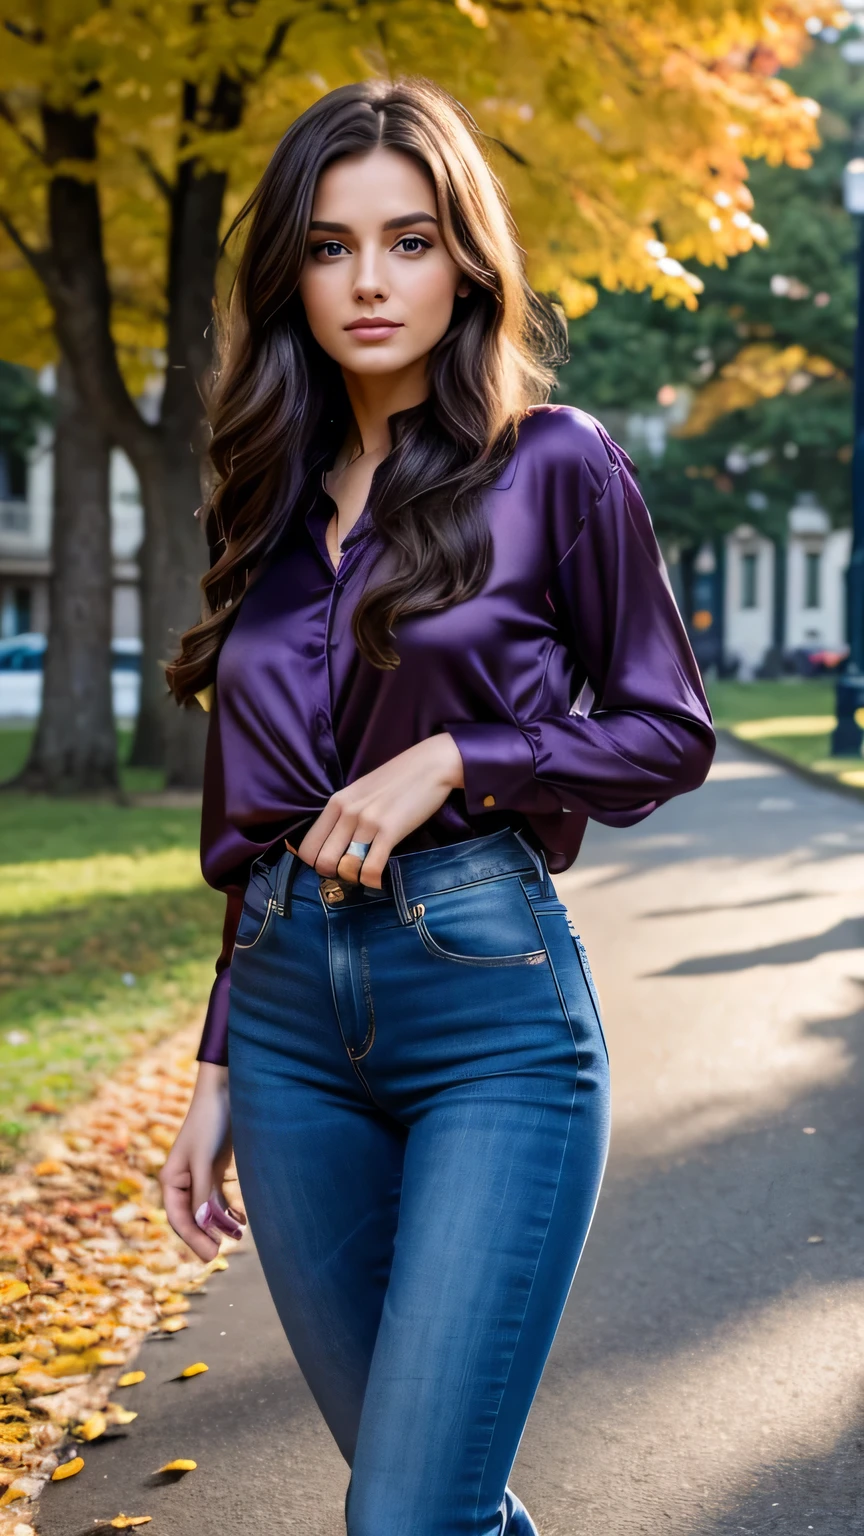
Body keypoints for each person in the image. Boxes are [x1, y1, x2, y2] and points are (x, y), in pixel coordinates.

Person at [160, 76, 715, 1536]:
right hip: (286, 1035)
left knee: (406, 1517)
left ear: (465, 255)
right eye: (332, 246)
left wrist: (462, 755)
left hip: (491, 1016)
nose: (368, 281)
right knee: (432, 1505)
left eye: (408, 239)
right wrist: (218, 1059)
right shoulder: (265, 497)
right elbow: (253, 807)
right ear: (291, 267)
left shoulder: (556, 464)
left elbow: (669, 730)